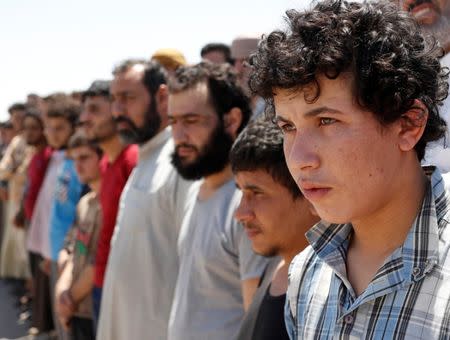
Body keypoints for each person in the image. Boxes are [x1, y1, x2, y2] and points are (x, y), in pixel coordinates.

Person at [249, 0, 450, 338]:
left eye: (327, 121)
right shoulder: (306, 272)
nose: (299, 158)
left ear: (407, 125)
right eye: (288, 127)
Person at [167, 61, 267, 340]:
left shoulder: (248, 204)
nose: (178, 136)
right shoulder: (193, 190)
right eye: (173, 122)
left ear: (231, 121)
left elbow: (255, 321)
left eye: (191, 121)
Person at [97, 60, 192, 340]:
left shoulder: (179, 163)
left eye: (127, 98)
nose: (117, 110)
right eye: (114, 99)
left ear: (162, 97)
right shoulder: (146, 157)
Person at [230, 117, 319, 340]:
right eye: (241, 192)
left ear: (309, 195)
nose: (240, 213)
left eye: (257, 193)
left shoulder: (330, 294)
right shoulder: (273, 270)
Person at [78, 79, 138, 328]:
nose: (84, 118)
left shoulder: (133, 160)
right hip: (101, 283)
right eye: (85, 110)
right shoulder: (105, 164)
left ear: (116, 111)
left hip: (125, 292)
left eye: (94, 110)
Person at [26, 97, 80, 337]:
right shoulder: (55, 159)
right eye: (49, 128)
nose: (53, 134)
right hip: (53, 252)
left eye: (60, 128)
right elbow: (49, 211)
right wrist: (47, 251)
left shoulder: (78, 163)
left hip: (70, 256)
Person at [55, 133, 104, 340]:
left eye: (84, 158)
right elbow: (73, 249)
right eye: (74, 159)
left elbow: (99, 261)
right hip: (75, 308)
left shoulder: (112, 205)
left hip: (94, 309)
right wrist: (62, 291)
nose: (77, 166)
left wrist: (68, 299)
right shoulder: (85, 203)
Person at [0, 102, 33, 279]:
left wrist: (13, 172)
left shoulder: (33, 139)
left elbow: (26, 171)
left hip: (28, 198)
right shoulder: (17, 141)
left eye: (21, 117)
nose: (18, 122)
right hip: (14, 196)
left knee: (25, 243)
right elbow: (4, 168)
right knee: (14, 239)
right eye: (15, 118)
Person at [231, 35, 265, 116]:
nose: (237, 70)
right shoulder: (234, 106)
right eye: (235, 61)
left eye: (246, 60)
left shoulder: (277, 106)